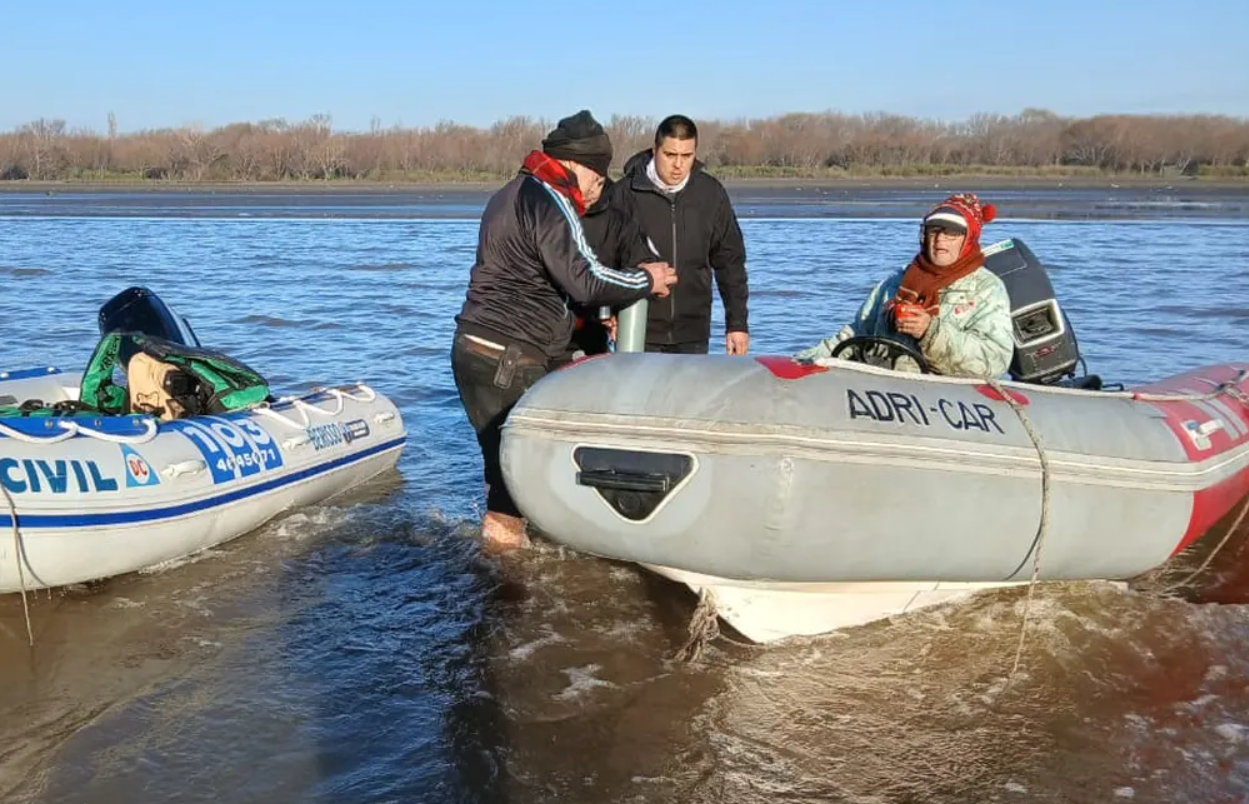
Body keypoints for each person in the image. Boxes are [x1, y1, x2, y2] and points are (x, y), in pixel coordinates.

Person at [451, 110, 677, 552]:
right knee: (524, 480)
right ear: (577, 164)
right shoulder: (552, 198)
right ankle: (511, 583)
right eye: (598, 173)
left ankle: (495, 571)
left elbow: (537, 280)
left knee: (504, 478)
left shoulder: (508, 193)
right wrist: (646, 279)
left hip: (472, 349)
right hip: (511, 358)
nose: (600, 185)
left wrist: (594, 315)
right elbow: (586, 279)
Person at [796, 193, 1013, 378]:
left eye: (951, 233)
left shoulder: (987, 289)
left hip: (943, 397)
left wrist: (930, 332)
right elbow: (857, 332)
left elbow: (995, 360)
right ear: (924, 235)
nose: (940, 240)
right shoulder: (896, 282)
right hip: (883, 385)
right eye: (934, 231)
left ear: (968, 240)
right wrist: (804, 361)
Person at [608, 115, 749, 356]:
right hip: (637, 328)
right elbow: (604, 259)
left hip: (693, 331)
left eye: (687, 156)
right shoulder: (623, 194)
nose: (678, 165)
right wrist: (608, 312)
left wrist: (737, 324)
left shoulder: (711, 194)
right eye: (670, 155)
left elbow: (730, 263)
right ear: (655, 150)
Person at [555, 175, 662, 366]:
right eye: (587, 181)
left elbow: (644, 266)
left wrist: (618, 309)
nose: (592, 191)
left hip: (592, 335)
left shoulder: (619, 222)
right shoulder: (548, 214)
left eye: (599, 183)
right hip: (546, 333)